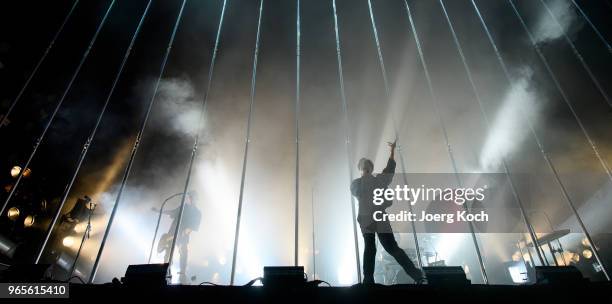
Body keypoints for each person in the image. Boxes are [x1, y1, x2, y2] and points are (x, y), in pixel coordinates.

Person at [350, 141, 424, 284]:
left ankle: (417, 275)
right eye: (364, 166)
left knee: (390, 247)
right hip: (367, 218)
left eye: (368, 165)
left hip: (378, 217)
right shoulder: (357, 183)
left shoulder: (378, 180)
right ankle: (368, 280)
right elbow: (357, 191)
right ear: (361, 168)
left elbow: (389, 169)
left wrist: (392, 151)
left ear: (370, 168)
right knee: (370, 247)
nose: (366, 167)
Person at [161, 191, 202, 284]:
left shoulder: (197, 213)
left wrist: (186, 231)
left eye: (193, 197)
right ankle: (165, 271)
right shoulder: (184, 207)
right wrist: (161, 211)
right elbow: (173, 212)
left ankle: (182, 273)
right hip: (172, 233)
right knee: (168, 252)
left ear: (196, 199)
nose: (191, 199)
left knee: (183, 251)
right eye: (190, 197)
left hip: (183, 236)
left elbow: (194, 226)